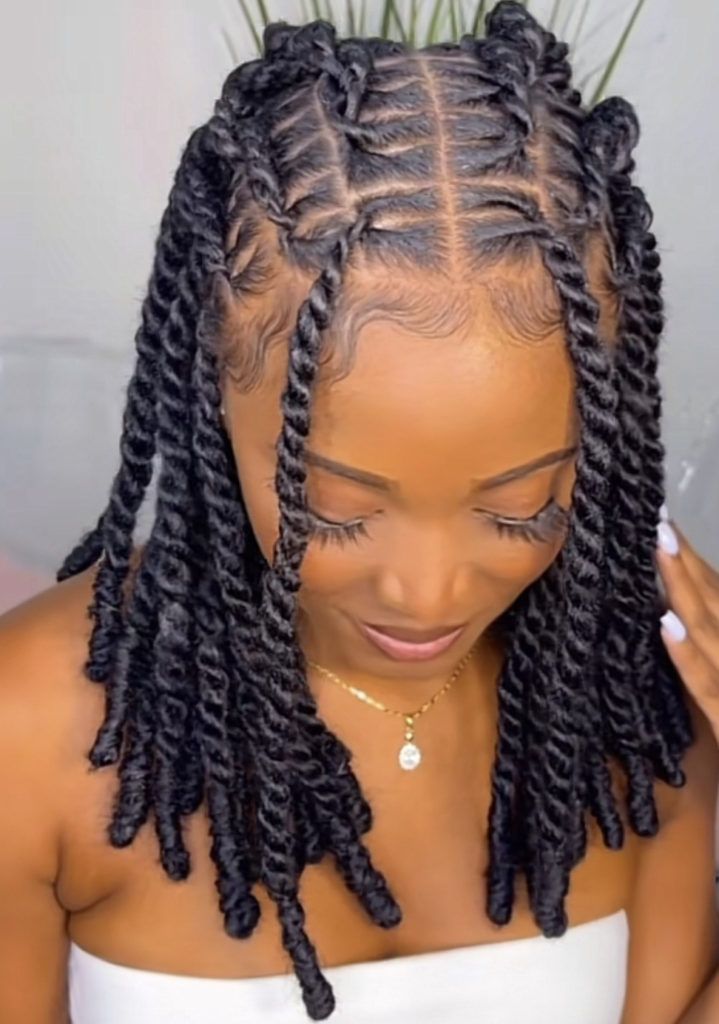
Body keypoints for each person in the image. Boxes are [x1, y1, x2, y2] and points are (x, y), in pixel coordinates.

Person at [1, 2, 718, 1022]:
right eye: (333, 508)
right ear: (211, 396)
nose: (426, 595)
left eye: (520, 506)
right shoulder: (26, 730)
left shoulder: (640, 701)